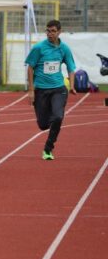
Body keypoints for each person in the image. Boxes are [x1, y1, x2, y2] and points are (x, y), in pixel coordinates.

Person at [25, 19, 77, 160]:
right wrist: (31, 89)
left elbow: (71, 68)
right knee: (43, 125)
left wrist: (72, 85)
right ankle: (50, 120)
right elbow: (30, 67)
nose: (50, 34)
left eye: (53, 31)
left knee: (58, 117)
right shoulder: (39, 48)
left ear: (60, 32)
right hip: (40, 90)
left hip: (58, 89)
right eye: (48, 31)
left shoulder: (64, 49)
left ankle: (48, 148)